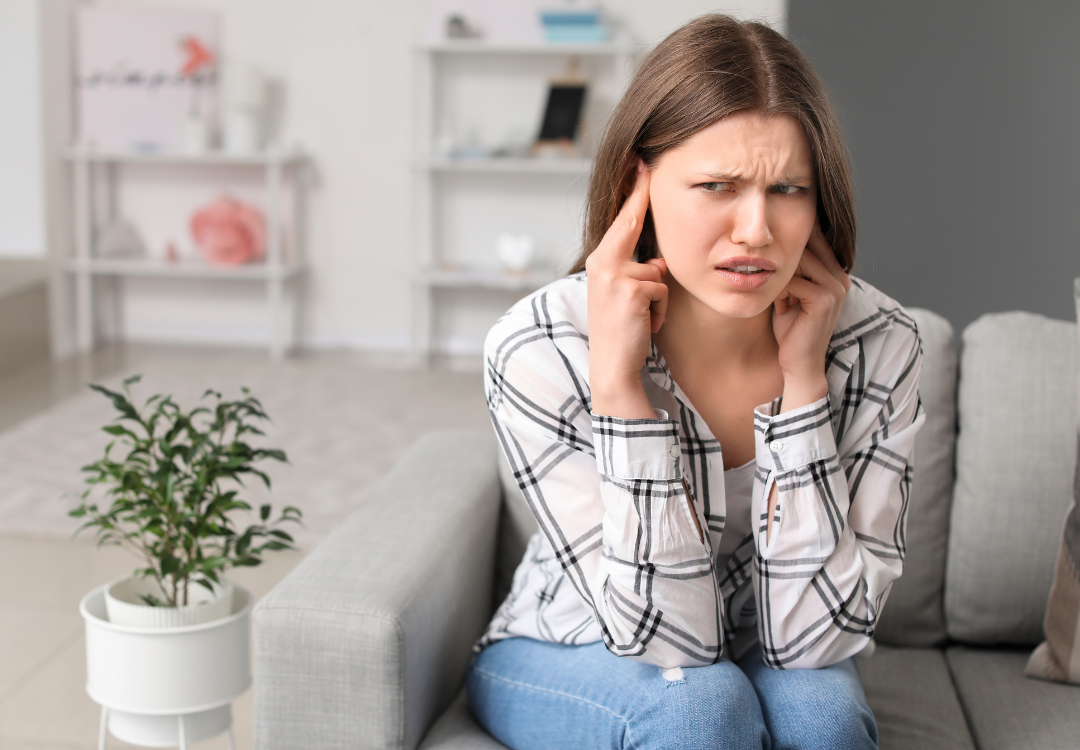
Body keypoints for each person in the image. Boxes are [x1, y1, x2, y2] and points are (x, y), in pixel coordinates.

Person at [467, 14, 925, 750]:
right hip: (572, 642)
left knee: (825, 718)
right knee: (699, 710)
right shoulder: (540, 348)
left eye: (787, 188)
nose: (755, 230)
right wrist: (620, 394)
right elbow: (664, 640)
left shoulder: (879, 343)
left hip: (763, 641)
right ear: (634, 186)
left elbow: (817, 640)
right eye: (716, 185)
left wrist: (805, 385)